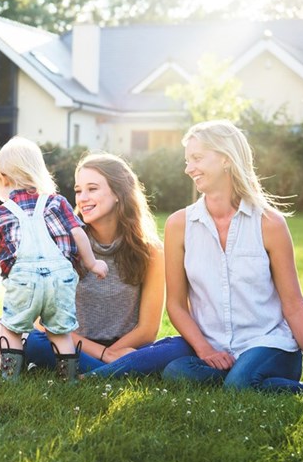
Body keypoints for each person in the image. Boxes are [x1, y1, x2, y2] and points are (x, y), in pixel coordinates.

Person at [161, 119, 303, 397]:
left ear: (226, 159)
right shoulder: (179, 224)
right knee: (176, 373)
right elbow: (176, 304)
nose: (188, 168)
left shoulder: (269, 223)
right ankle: (241, 377)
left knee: (239, 386)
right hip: (219, 348)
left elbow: (294, 303)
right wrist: (205, 349)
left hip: (270, 344)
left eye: (197, 158)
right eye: (187, 160)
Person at [0, 136, 108, 382]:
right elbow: (78, 232)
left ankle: (9, 378)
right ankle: (67, 379)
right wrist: (92, 263)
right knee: (60, 333)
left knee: (11, 328)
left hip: (24, 281)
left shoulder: (1, 212)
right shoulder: (57, 202)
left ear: (2, 177)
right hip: (61, 281)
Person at [24, 152, 192, 377]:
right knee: (34, 340)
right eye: (78, 190)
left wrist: (113, 353)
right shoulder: (63, 243)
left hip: (126, 347)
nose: (82, 197)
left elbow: (148, 329)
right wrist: (104, 355)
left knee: (182, 345)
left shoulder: (151, 251)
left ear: (118, 194)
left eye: (92, 189)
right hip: (72, 344)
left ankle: (95, 374)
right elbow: (45, 324)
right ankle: (118, 371)